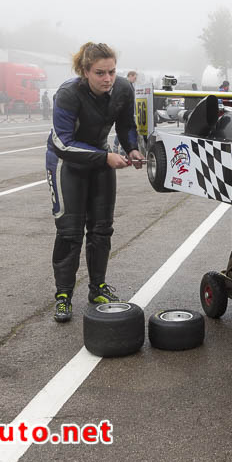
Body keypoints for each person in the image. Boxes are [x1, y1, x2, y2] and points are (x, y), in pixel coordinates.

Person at [46, 42, 145, 323]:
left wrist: (132, 148)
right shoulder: (68, 94)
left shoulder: (123, 89)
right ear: (85, 71)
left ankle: (98, 288)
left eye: (112, 71)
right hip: (67, 163)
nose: (108, 79)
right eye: (100, 73)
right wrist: (105, 158)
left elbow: (127, 125)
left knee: (102, 229)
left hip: (101, 159)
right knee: (69, 232)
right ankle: (63, 295)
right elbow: (62, 143)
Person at [114, 71, 137, 154]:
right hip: (123, 111)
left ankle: (120, 149)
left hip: (128, 111)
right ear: (130, 76)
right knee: (123, 129)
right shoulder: (125, 86)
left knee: (124, 129)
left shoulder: (130, 85)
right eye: (134, 77)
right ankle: (117, 147)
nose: (135, 79)